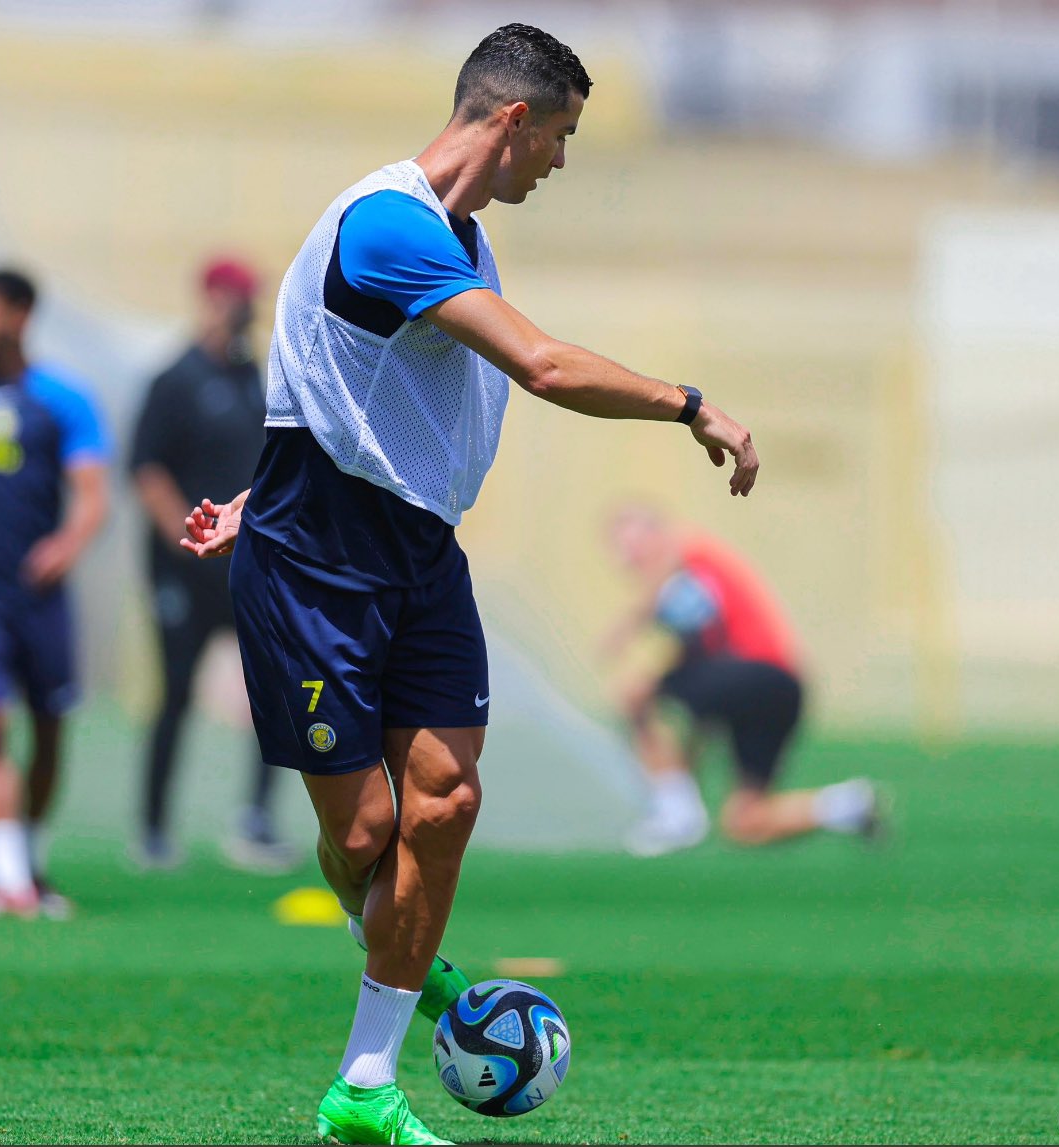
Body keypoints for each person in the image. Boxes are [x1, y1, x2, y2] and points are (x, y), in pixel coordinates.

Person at [181, 24, 758, 1145]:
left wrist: (261, 487)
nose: (559, 163)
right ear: (511, 122)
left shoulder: (461, 237)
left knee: (444, 802)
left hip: (418, 559)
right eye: (562, 139)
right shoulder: (391, 224)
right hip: (315, 573)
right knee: (360, 841)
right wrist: (692, 405)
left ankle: (363, 1088)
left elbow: (344, 382)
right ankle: (406, 953)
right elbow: (540, 367)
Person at [0, 268, 110, 920]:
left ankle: (28, 865)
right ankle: (7, 881)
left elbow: (92, 495)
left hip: (41, 598)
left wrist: (65, 545)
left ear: (21, 315)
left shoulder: (62, 400)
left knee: (48, 726)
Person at [129, 258, 296, 872]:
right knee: (173, 694)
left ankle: (254, 822)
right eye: (230, 298)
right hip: (184, 570)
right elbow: (147, 470)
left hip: (248, 565)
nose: (239, 309)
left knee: (271, 692)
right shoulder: (175, 378)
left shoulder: (258, 378)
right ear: (207, 298)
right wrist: (191, 536)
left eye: (246, 299)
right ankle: (152, 829)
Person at [603, 505, 883, 856]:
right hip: (782, 688)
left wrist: (627, 628)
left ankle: (677, 818)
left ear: (657, 534)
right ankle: (847, 805)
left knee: (636, 694)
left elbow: (682, 607)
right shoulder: (695, 589)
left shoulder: (689, 557)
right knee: (746, 822)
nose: (629, 560)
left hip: (754, 672)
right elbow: (699, 675)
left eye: (633, 547)